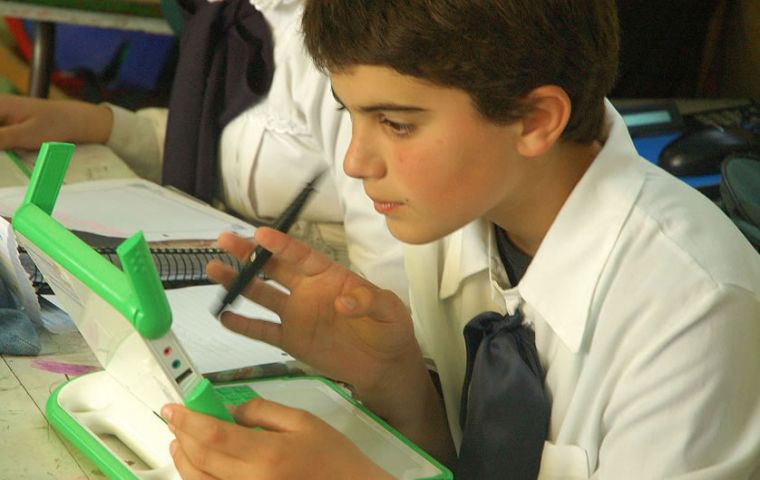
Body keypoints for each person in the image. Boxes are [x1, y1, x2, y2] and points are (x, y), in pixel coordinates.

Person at [158, 0, 760, 478]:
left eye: (396, 123)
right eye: (350, 114)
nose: (355, 162)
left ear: (535, 120)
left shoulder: (696, 309)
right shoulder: (455, 219)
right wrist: (399, 384)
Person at [0, 0, 408, 305]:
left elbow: (391, 288)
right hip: (238, 282)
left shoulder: (341, 41)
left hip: (316, 311)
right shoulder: (233, 15)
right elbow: (221, 149)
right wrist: (98, 124)